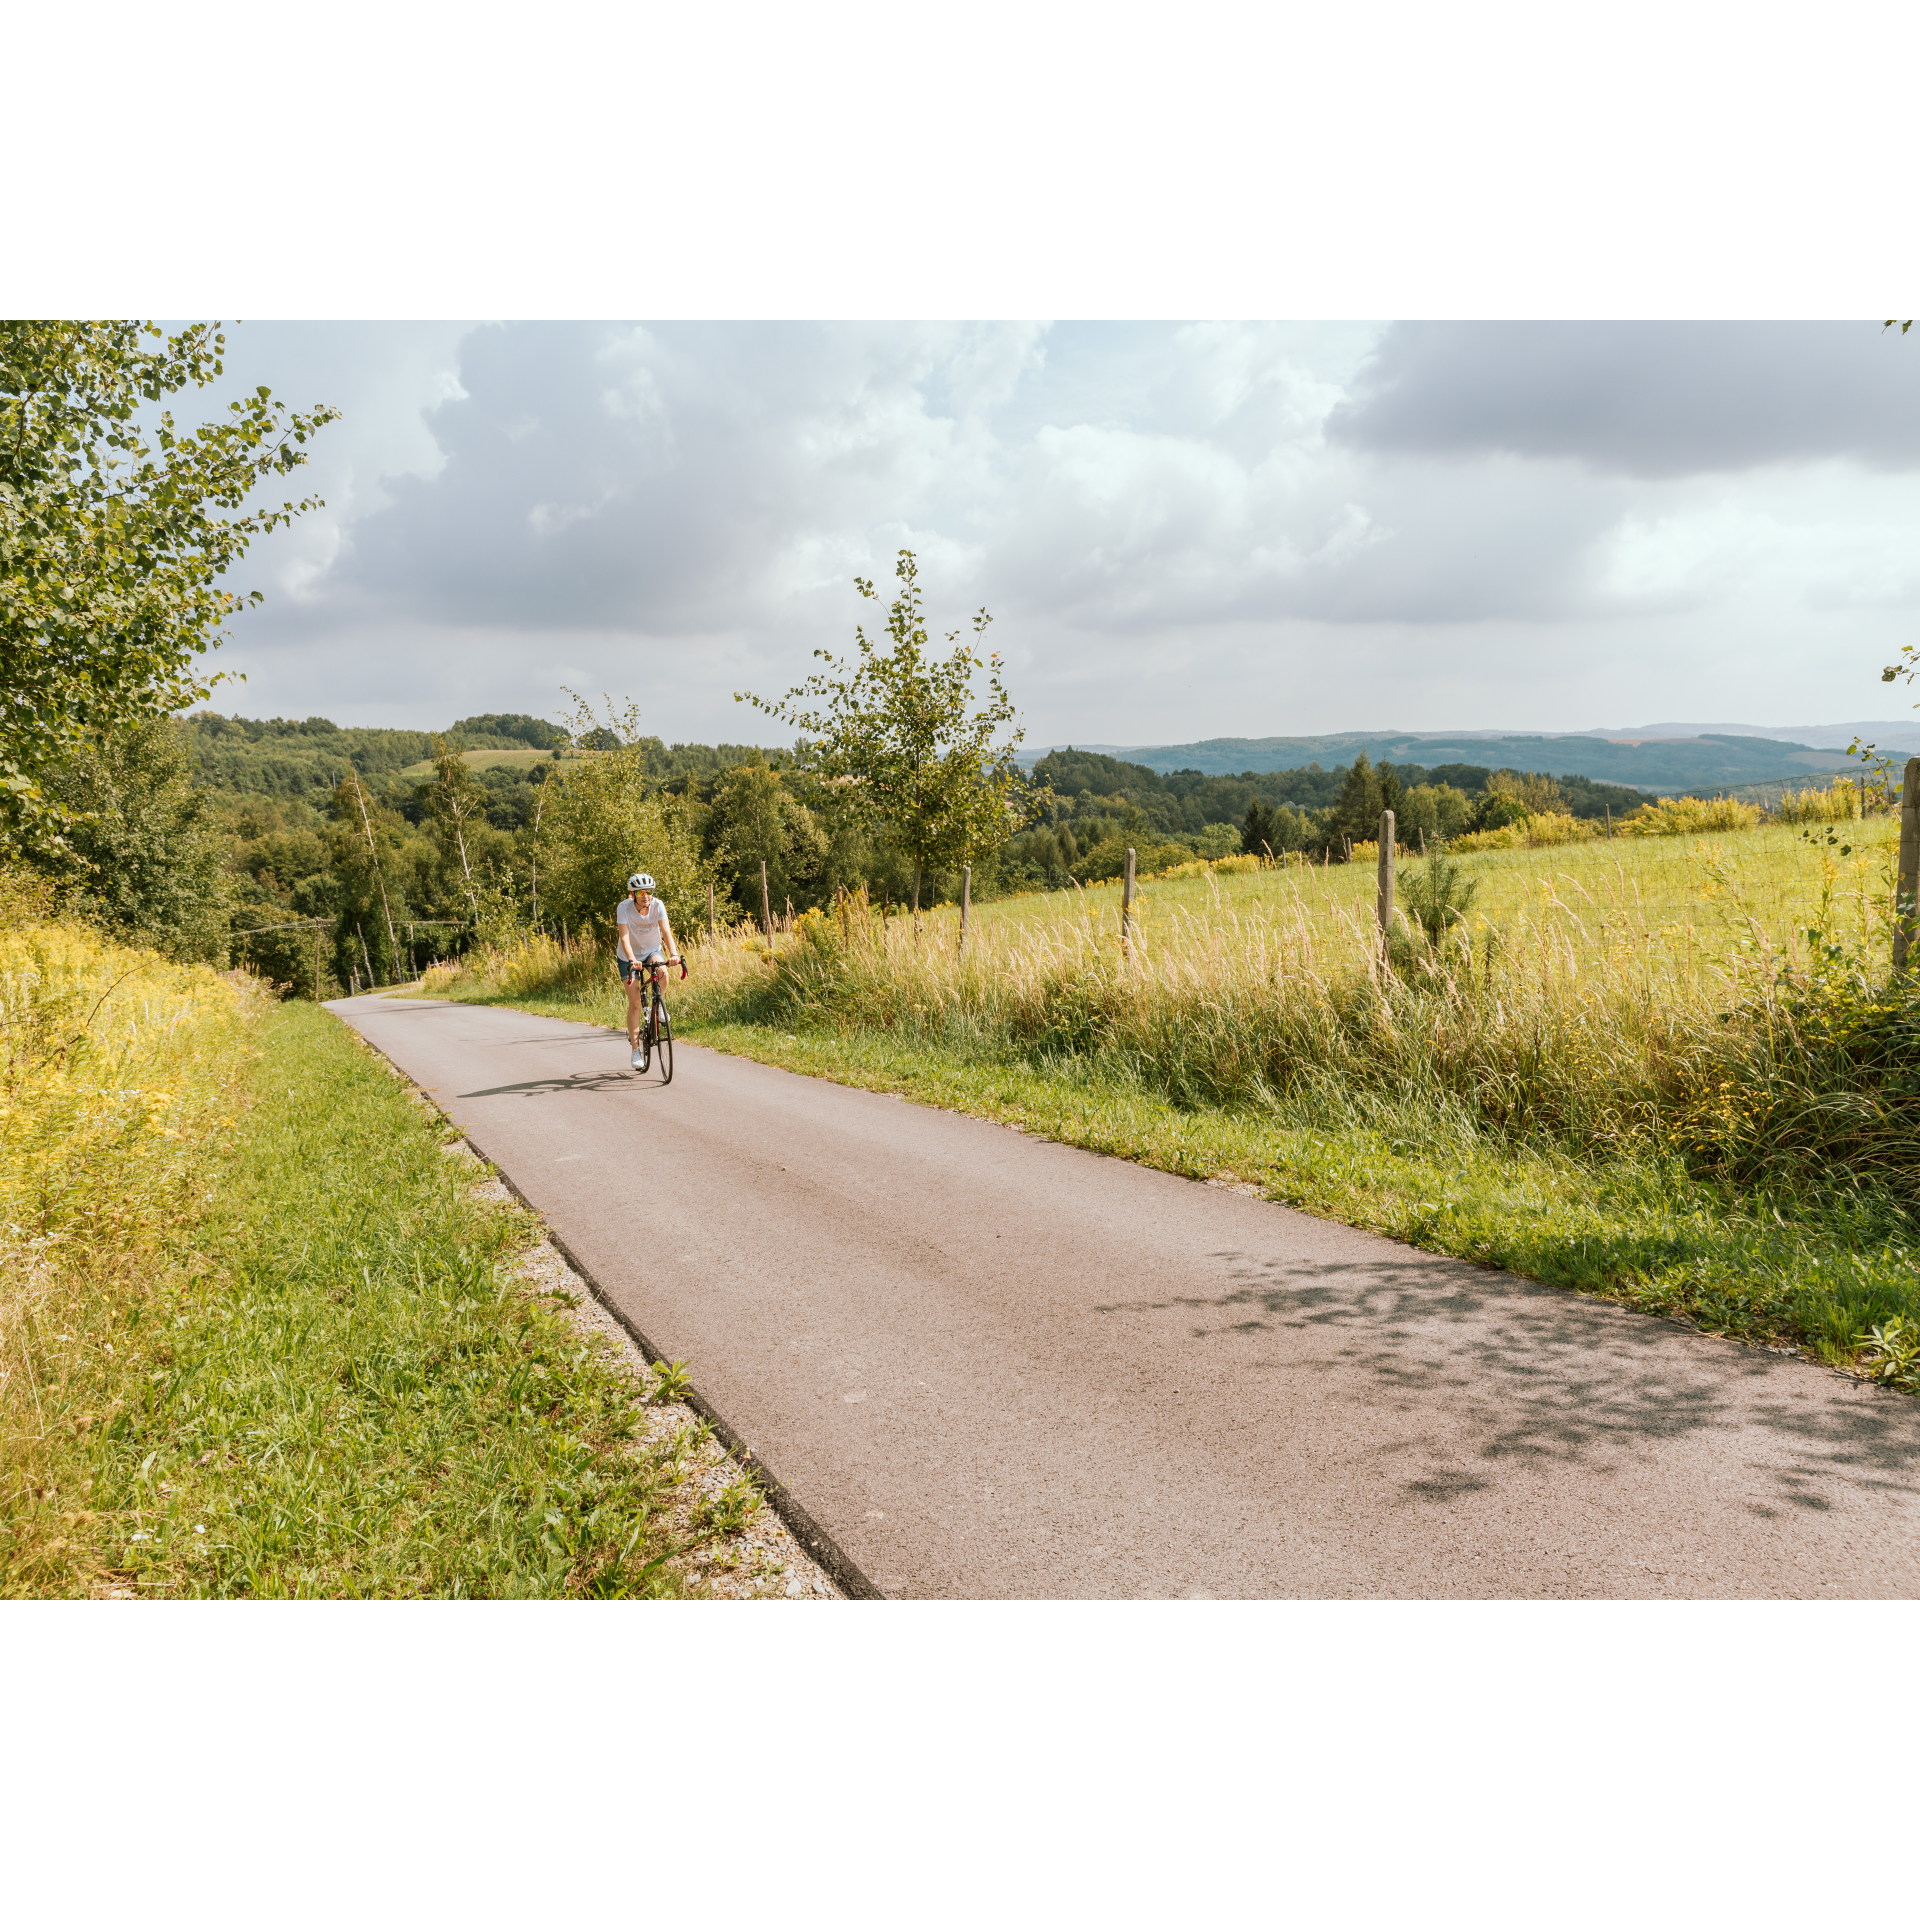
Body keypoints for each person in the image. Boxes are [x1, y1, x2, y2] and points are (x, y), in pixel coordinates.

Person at [615, 871, 684, 1068]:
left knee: (663, 973)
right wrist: (631, 959)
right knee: (635, 1003)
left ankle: (658, 1007)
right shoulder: (623, 908)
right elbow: (624, 937)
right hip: (628, 956)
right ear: (632, 894)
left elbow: (666, 931)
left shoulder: (658, 905)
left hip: (652, 950)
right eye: (641, 892)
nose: (646, 895)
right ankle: (636, 1051)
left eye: (649, 891)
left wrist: (673, 953)